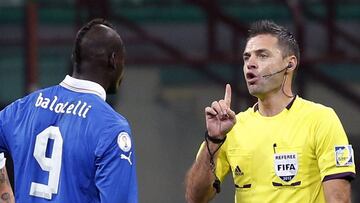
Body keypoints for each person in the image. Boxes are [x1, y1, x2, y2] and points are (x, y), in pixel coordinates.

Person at [185, 20, 356, 203]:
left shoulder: (320, 119)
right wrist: (214, 139)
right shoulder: (232, 128)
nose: (250, 63)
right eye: (246, 57)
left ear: (289, 65)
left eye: (262, 55)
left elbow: (339, 197)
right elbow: (195, 197)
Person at [0, 18, 138, 202]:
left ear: (75, 58)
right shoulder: (111, 128)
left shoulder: (25, 108)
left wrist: (5, 195)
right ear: (114, 61)